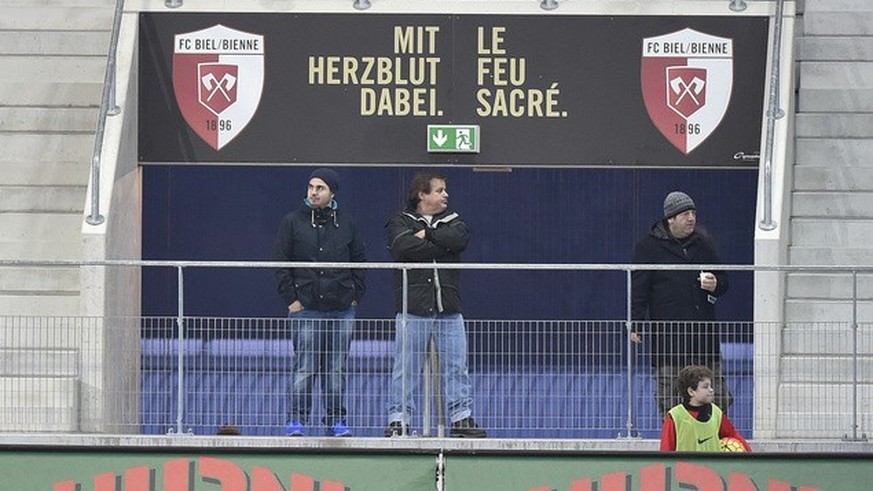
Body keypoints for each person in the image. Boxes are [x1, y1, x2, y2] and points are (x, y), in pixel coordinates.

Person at [383, 172, 486, 438]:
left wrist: (427, 235)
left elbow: (459, 240)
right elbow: (401, 247)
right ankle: (399, 420)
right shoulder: (400, 221)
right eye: (439, 190)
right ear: (422, 194)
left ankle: (461, 418)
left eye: (445, 190)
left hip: (448, 309)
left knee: (456, 365)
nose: (445, 195)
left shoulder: (454, 221)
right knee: (406, 367)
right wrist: (441, 245)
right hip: (413, 307)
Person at [273, 168, 366, 437]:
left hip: (341, 308)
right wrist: (292, 300)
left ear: (332, 193)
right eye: (311, 187)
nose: (313, 192)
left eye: (320, 188)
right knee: (305, 366)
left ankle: (336, 421)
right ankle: (297, 421)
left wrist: (354, 296)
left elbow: (360, 261)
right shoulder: (292, 221)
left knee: (336, 368)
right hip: (306, 308)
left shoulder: (347, 222)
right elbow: (280, 263)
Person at [631, 190, 732, 417]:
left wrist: (716, 283)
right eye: (685, 214)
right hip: (670, 341)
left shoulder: (703, 244)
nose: (691, 219)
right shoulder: (648, 247)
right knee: (670, 401)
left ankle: (713, 445)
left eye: (693, 213)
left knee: (717, 398)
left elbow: (724, 279)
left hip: (703, 339)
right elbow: (639, 289)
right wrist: (635, 322)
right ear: (670, 219)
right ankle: (675, 448)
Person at [660, 365, 751, 451]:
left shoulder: (716, 413)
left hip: (713, 467)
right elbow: (666, 451)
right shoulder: (675, 416)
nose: (711, 390)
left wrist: (749, 454)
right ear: (691, 391)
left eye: (710, 386)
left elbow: (733, 434)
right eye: (705, 387)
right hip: (685, 467)